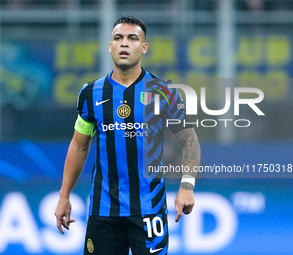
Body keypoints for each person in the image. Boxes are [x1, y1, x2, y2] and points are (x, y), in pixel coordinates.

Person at [55, 16, 201, 255]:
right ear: (110, 46)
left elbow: (190, 141)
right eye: (118, 38)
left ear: (144, 47)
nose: (124, 44)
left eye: (132, 38)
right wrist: (64, 196)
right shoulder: (90, 93)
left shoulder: (164, 92)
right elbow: (79, 147)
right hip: (104, 211)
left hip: (149, 209)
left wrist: (187, 186)